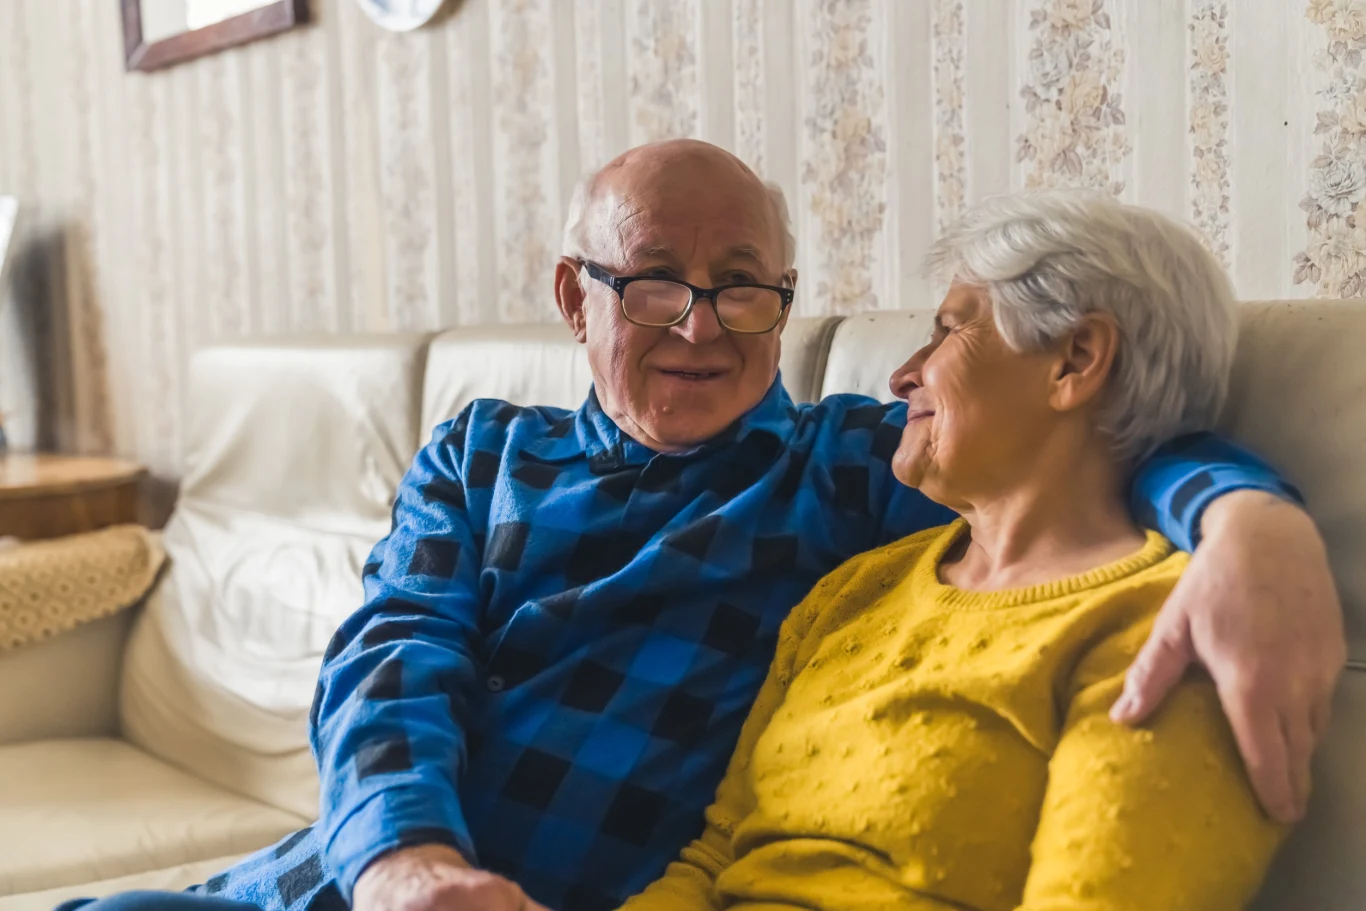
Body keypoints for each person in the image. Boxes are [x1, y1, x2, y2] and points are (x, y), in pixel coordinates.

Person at [57, 141, 1341, 911]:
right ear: (576, 295)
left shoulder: (847, 468)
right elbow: (395, 654)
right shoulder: (482, 451)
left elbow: (1109, 444)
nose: (703, 325)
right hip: (364, 868)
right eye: (658, 279)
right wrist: (403, 854)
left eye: (745, 289)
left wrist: (1249, 522)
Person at [621, 191, 1286, 911]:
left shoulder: (1162, 632)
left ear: (1077, 359)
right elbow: (715, 856)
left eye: (947, 331)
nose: (903, 374)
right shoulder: (855, 591)